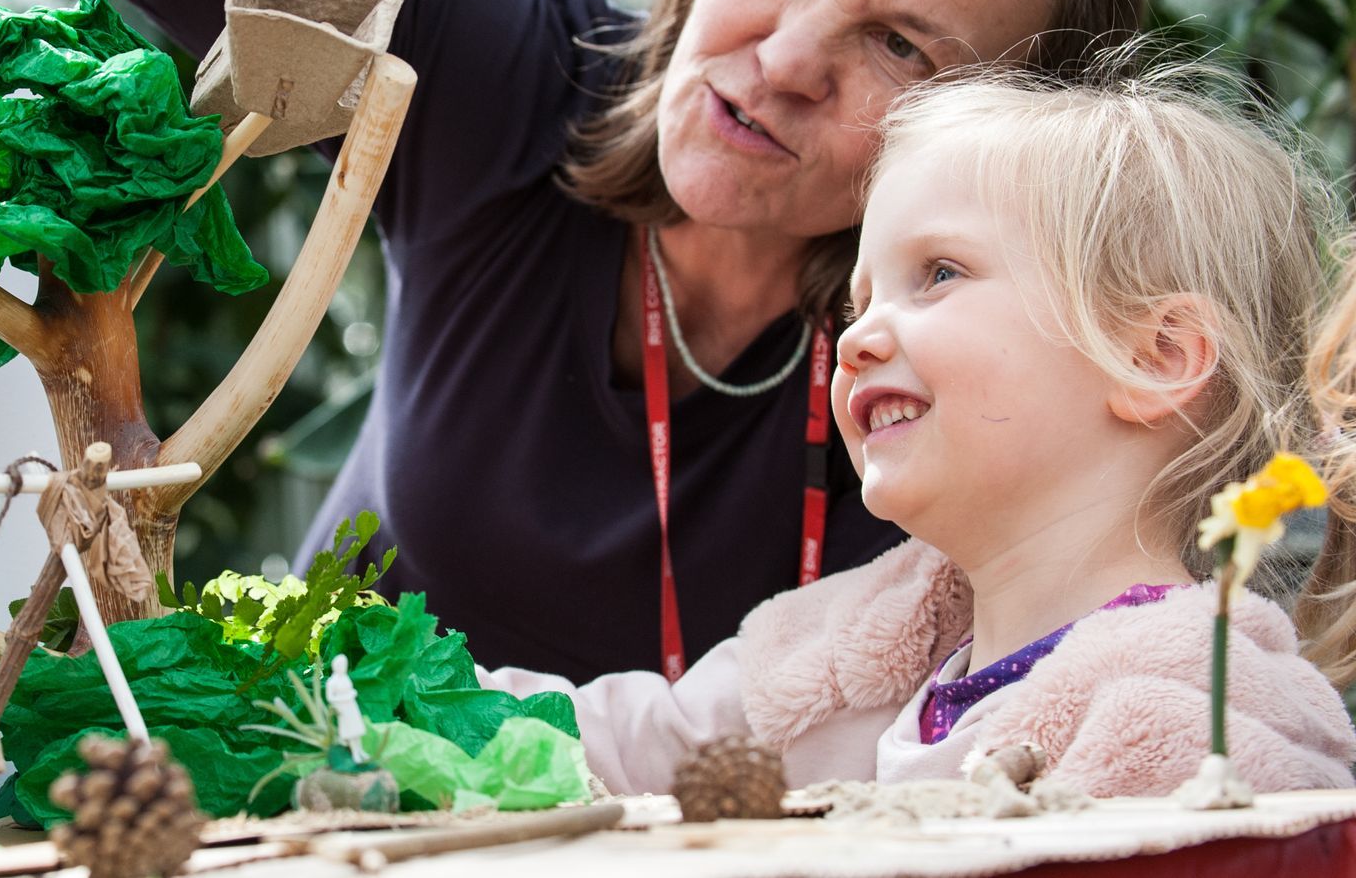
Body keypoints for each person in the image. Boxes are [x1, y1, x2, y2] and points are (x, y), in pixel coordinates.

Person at [0, 0, 1148, 679]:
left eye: (898, 44)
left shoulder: (1023, 343)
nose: (786, 61)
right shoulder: (517, 72)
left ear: (1022, 115)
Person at [482, 71, 1356, 795]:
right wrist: (395, 709)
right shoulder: (860, 647)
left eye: (938, 273)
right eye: (860, 302)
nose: (856, 337)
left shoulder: (1211, 723)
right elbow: (629, 755)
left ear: (1155, 356)